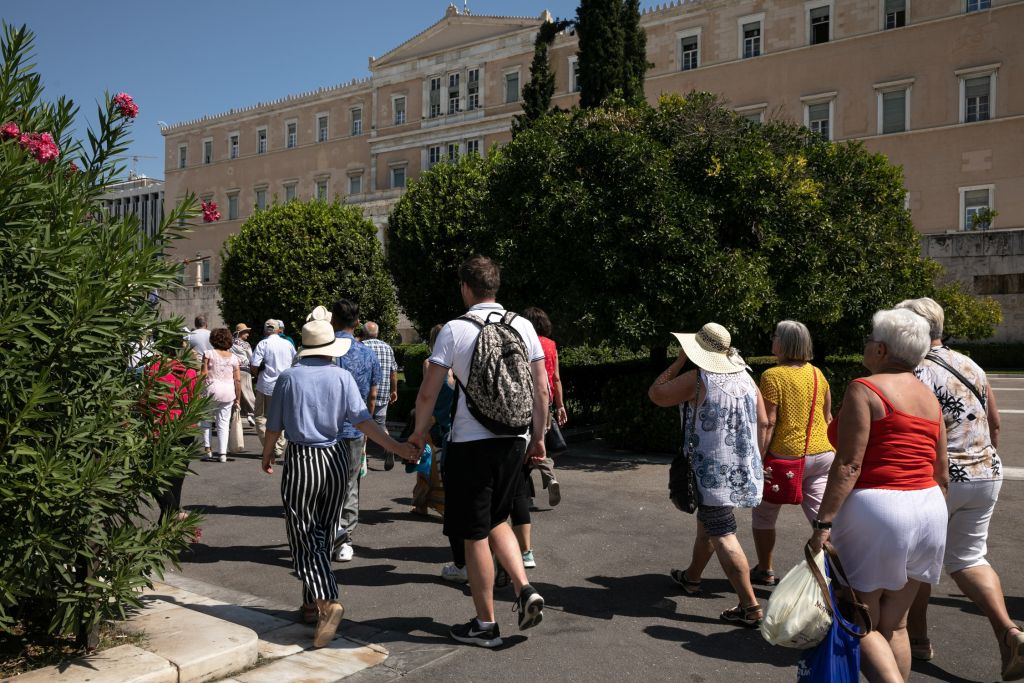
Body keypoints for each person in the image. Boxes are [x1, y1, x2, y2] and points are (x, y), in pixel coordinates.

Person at [411, 255, 547, 648]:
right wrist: (538, 436)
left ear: (465, 288)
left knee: (473, 534)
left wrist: (419, 433)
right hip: (515, 436)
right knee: (498, 519)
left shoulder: (454, 330)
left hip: (472, 442)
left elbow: (428, 391)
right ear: (495, 287)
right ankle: (523, 587)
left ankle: (485, 624)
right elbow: (540, 388)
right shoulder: (522, 325)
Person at [807, 308, 948, 683]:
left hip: (880, 507)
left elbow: (849, 464)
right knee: (896, 624)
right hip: (929, 507)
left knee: (859, 618)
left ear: (881, 350)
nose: (866, 345)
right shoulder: (929, 399)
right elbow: (942, 471)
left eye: (870, 339)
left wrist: (823, 523)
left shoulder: (864, 388)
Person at [259, 317, 418, 647]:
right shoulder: (343, 377)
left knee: (302, 534)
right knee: (322, 533)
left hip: (303, 460)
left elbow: (274, 424)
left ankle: (326, 600)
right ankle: (310, 605)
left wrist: (267, 453)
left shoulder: (289, 378)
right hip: (335, 459)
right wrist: (398, 447)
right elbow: (365, 422)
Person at [895, 298, 1023, 679]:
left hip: (939, 478)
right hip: (985, 473)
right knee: (968, 559)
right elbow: (995, 424)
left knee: (916, 562)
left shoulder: (913, 372)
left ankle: (915, 639)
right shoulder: (971, 364)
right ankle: (1009, 630)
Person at [649, 322, 768, 628]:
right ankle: (692, 578)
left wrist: (677, 361)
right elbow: (764, 422)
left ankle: (750, 605)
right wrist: (757, 457)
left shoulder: (698, 378)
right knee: (710, 526)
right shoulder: (746, 378)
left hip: (710, 469)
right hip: (741, 466)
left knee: (723, 532)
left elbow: (657, 394)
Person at [749, 320, 833, 586]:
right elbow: (827, 416)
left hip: (786, 457)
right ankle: (835, 575)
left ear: (783, 342)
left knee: (764, 514)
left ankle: (765, 569)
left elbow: (769, 422)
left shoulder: (773, 376)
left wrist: (757, 457)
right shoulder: (818, 374)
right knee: (822, 520)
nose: (771, 340)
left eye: (774, 336)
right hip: (822, 455)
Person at [331, 299, 381, 563]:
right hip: (355, 428)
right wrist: (367, 426)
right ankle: (344, 538)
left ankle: (326, 531)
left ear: (332, 320)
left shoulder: (324, 349)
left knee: (325, 484)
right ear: (358, 322)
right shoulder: (367, 353)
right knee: (350, 484)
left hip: (324, 428)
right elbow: (372, 395)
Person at [520, 306, 566, 508]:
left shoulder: (523, 342)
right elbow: (555, 378)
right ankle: (550, 477)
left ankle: (525, 497)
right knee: (540, 445)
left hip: (523, 401)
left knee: (522, 448)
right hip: (545, 402)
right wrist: (561, 405)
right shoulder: (551, 345)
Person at [412, 324, 452, 519]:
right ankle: (446, 506)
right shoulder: (456, 363)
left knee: (427, 461)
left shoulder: (430, 363)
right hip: (451, 419)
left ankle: (421, 503)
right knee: (447, 463)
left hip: (432, 418)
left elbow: (426, 393)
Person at [252, 319, 296, 459]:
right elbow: (295, 363)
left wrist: (256, 374)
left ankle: (269, 446)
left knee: (261, 417)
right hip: (285, 385)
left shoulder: (263, 343)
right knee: (281, 416)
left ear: (265, 330)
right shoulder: (288, 344)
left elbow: (254, 365)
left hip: (266, 385)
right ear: (279, 330)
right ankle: (279, 446)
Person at [361, 321, 399, 469]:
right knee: (380, 423)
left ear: (364, 333)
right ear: (377, 333)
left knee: (361, 423)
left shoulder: (361, 347)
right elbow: (393, 371)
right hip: (383, 392)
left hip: (364, 392)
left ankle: (361, 456)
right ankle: (388, 446)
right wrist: (394, 390)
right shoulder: (387, 347)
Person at [200, 328, 241, 463]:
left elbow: (204, 374)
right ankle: (222, 453)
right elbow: (238, 380)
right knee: (223, 423)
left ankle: (208, 449)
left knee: (206, 421)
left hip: (211, 390)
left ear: (213, 339)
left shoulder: (208, 354)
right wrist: (238, 398)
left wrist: (198, 390)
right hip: (228, 392)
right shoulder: (234, 358)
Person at [231, 323, 256, 425]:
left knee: (236, 394)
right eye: (246, 332)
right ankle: (256, 412)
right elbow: (252, 358)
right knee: (248, 392)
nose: (248, 335)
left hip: (232, 370)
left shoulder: (230, 343)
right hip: (244, 370)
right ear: (241, 333)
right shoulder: (246, 344)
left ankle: (235, 417)